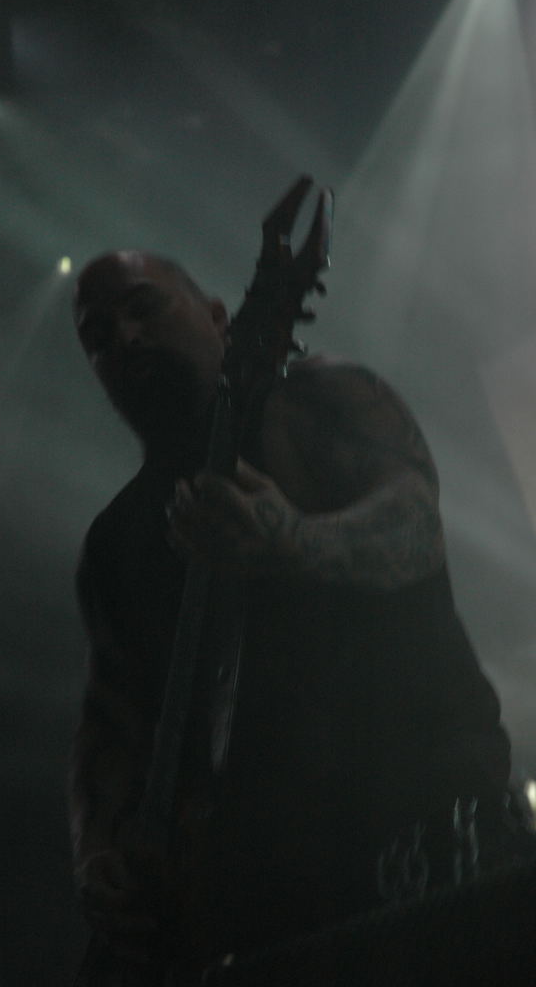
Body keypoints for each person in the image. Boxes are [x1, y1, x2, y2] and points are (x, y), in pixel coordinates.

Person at [69, 248, 517, 979]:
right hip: (272, 910)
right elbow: (108, 721)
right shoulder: (116, 544)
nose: (123, 336)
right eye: (96, 335)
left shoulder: (323, 399)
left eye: (143, 306)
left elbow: (416, 528)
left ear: (219, 315)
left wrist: (295, 541)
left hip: (429, 838)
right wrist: (97, 853)